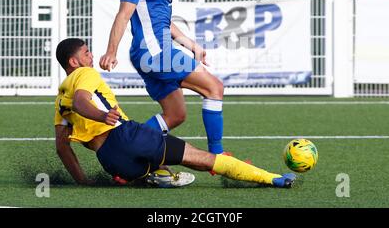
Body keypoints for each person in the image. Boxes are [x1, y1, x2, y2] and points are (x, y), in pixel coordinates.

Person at [54, 38, 296, 188]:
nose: (92, 56)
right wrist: (101, 116)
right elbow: (81, 101)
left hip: (110, 160)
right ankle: (270, 178)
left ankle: (154, 175)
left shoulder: (58, 100)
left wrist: (82, 181)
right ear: (73, 62)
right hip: (126, 136)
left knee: (155, 164)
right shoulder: (84, 74)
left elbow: (62, 147)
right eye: (86, 53)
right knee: (203, 160)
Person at [99, 0, 226, 161]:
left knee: (175, 115)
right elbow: (124, 14)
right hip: (155, 53)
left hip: (154, 53)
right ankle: (217, 156)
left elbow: (165, 23)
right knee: (214, 87)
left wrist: (192, 45)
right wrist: (110, 51)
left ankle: (127, 155)